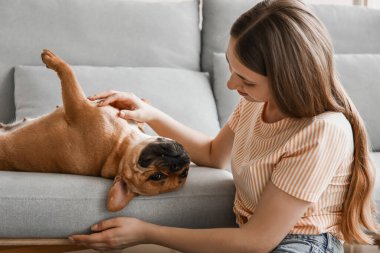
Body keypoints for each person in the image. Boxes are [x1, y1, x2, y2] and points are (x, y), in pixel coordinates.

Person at [69, 0, 378, 252]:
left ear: (289, 80)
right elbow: (213, 153)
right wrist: (150, 113)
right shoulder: (256, 102)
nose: (232, 84)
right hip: (256, 237)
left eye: (246, 80)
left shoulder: (322, 131)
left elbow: (257, 241)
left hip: (301, 242)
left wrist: (147, 233)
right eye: (232, 68)